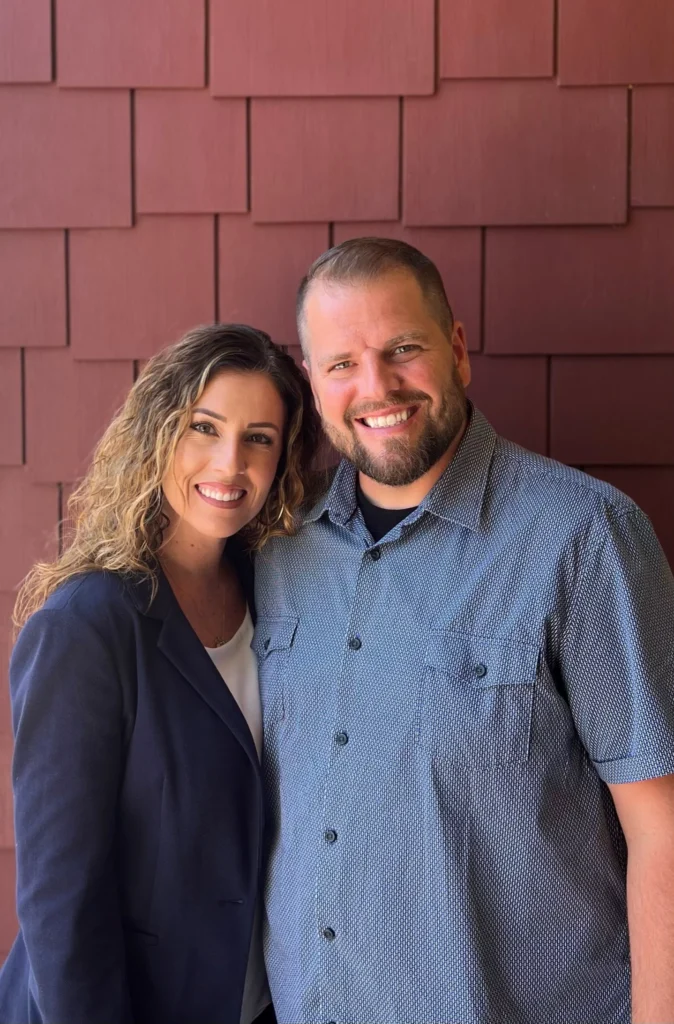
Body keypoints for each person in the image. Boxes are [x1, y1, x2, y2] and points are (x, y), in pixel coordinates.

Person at [254, 238, 674, 1024]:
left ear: (456, 350)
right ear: (313, 383)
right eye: (342, 363)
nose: (376, 387)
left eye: (402, 349)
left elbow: (665, 829)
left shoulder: (583, 538)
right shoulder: (281, 548)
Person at [0, 323, 319, 1024]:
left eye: (259, 437)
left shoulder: (275, 597)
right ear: (157, 433)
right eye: (204, 427)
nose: (229, 462)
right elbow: (61, 899)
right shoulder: (87, 624)